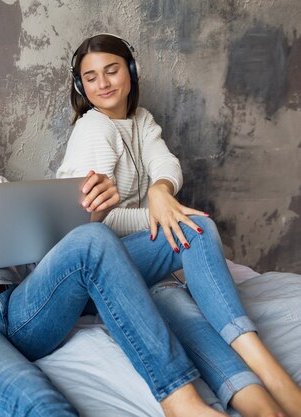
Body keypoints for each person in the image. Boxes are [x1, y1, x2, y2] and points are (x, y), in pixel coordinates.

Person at [0, 79, 229, 417]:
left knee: (98, 238)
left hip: (21, 308)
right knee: (42, 404)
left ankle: (181, 399)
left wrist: (96, 214)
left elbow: (52, 254)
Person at [58, 33, 301, 417]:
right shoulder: (94, 129)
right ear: (80, 86)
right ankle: (265, 365)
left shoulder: (139, 120)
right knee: (194, 227)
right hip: (98, 271)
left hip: (144, 262)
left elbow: (167, 165)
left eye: (112, 70)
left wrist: (160, 191)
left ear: (131, 72)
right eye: (90, 77)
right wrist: (161, 213)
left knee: (183, 315)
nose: (102, 84)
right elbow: (94, 222)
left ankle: (260, 406)